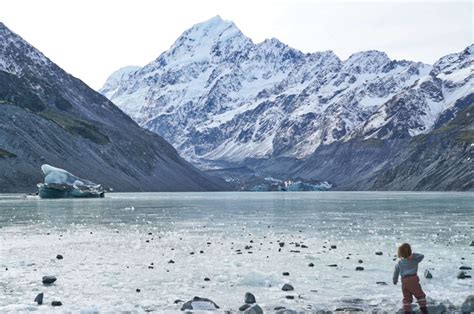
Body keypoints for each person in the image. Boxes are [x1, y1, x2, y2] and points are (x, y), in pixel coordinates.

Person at [393, 243, 428, 314]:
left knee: (407, 298)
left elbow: (396, 272)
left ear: (400, 253)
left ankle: (407, 312)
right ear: (410, 251)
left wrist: (395, 280)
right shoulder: (414, 260)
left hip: (404, 281)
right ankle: (424, 310)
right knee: (420, 295)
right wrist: (413, 255)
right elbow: (422, 256)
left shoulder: (399, 263)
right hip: (413, 279)